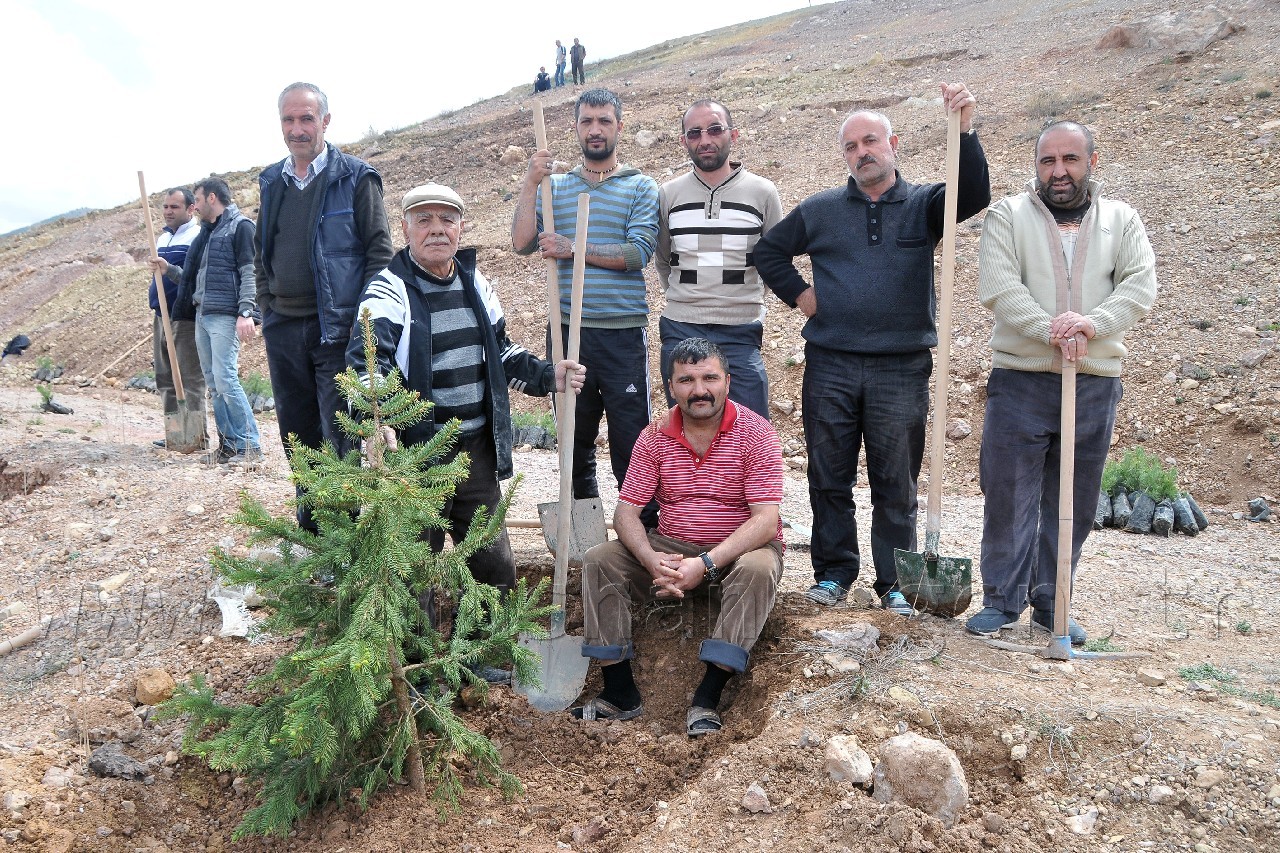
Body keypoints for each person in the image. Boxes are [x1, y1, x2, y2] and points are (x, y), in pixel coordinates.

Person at [755, 82, 991, 615]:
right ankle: (835, 573)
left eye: (870, 141)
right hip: (831, 363)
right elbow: (769, 252)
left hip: (902, 367)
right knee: (828, 472)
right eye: (851, 146)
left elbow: (974, 194)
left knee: (895, 479)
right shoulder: (819, 210)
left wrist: (966, 129)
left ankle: (893, 584)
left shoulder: (928, 204)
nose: (861, 152)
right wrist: (802, 296)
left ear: (893, 144)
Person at [347, 183, 585, 680]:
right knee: (417, 563)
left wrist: (549, 376)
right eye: (424, 220)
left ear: (461, 228)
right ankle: (418, 668)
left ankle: (486, 657)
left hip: (473, 447)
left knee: (492, 561)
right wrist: (383, 415)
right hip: (418, 453)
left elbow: (501, 354)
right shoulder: (388, 290)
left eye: (446, 220)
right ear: (407, 228)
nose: (436, 229)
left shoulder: (477, 284)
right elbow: (367, 362)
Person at [964, 121, 1156, 644]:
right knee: (1007, 492)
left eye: (1070, 160)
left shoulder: (1123, 218)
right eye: (1048, 161)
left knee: (1074, 498)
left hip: (1093, 380)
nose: (1059, 172)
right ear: (1037, 165)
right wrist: (1048, 329)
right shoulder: (1008, 215)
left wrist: (1091, 324)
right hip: (1021, 378)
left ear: (1091, 162)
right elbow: (1000, 286)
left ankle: (1053, 601)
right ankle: (1001, 600)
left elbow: (1140, 285)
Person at [573, 338, 784, 737]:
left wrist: (704, 565)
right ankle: (619, 694)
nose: (699, 390)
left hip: (737, 552)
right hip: (671, 549)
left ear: (728, 381)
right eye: (686, 380)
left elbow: (766, 522)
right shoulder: (653, 436)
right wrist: (652, 560)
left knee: (759, 568)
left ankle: (707, 698)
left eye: (709, 378)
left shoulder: (757, 434)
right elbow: (626, 514)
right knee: (600, 560)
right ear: (671, 387)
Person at [511, 88, 659, 524]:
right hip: (566, 331)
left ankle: (644, 534)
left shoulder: (640, 186)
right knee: (573, 441)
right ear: (576, 127)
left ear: (619, 126)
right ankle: (586, 539)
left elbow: (637, 254)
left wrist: (573, 248)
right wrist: (530, 182)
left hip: (622, 333)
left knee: (632, 444)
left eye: (605, 121)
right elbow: (521, 243)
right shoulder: (554, 187)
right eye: (587, 121)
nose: (595, 129)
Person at [254, 82, 394, 528]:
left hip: (337, 332)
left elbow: (379, 254)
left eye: (306, 119)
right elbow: (262, 251)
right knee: (297, 435)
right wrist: (266, 306)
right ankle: (313, 536)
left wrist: (365, 325)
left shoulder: (355, 177)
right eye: (289, 120)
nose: (297, 129)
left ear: (325, 122)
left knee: (339, 439)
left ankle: (341, 540)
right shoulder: (272, 181)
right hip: (283, 330)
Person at [656, 99, 783, 418]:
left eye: (714, 129)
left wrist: (743, 300)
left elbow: (775, 258)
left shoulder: (763, 192)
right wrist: (690, 298)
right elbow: (663, 259)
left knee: (751, 428)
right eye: (694, 133)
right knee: (687, 432)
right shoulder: (668, 195)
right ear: (684, 141)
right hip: (681, 326)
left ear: (733, 134)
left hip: (741, 328)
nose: (705, 139)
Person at [166, 177, 262, 464]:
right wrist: (169, 270)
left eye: (196, 199)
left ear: (211, 198)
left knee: (225, 379)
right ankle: (229, 445)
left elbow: (250, 272)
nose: (193, 206)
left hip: (225, 316)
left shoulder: (240, 227)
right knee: (213, 382)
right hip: (203, 315)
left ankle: (250, 446)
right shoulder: (206, 235)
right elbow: (194, 281)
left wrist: (246, 312)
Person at [147, 188, 207, 450]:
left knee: (189, 378)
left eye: (175, 207)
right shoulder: (161, 239)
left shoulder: (197, 236)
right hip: (161, 315)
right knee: (165, 378)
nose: (168, 212)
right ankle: (175, 435)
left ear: (191, 209)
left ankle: (196, 438)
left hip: (185, 317)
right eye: (166, 207)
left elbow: (194, 279)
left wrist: (169, 270)